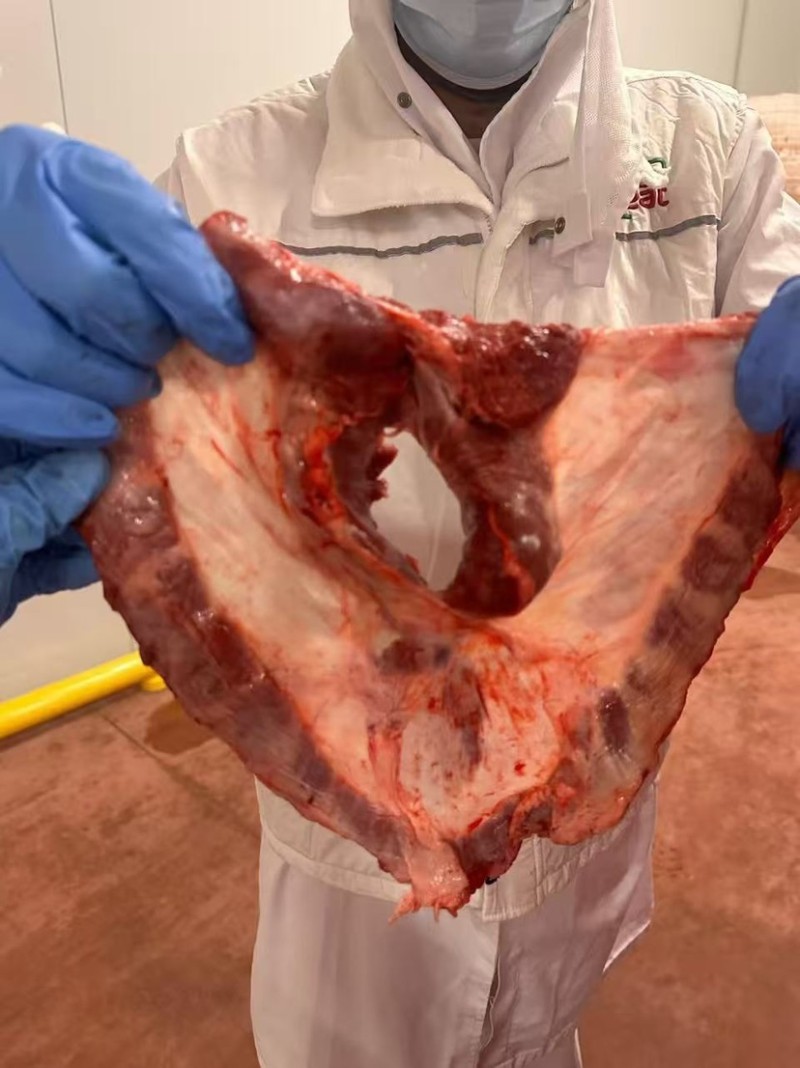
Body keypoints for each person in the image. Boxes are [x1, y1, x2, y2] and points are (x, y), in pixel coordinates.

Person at [1, 0, 799, 1063]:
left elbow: (771, 384)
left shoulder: (708, 148)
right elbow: (122, 381)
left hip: (586, 788)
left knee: (545, 1029)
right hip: (345, 815)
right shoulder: (229, 168)